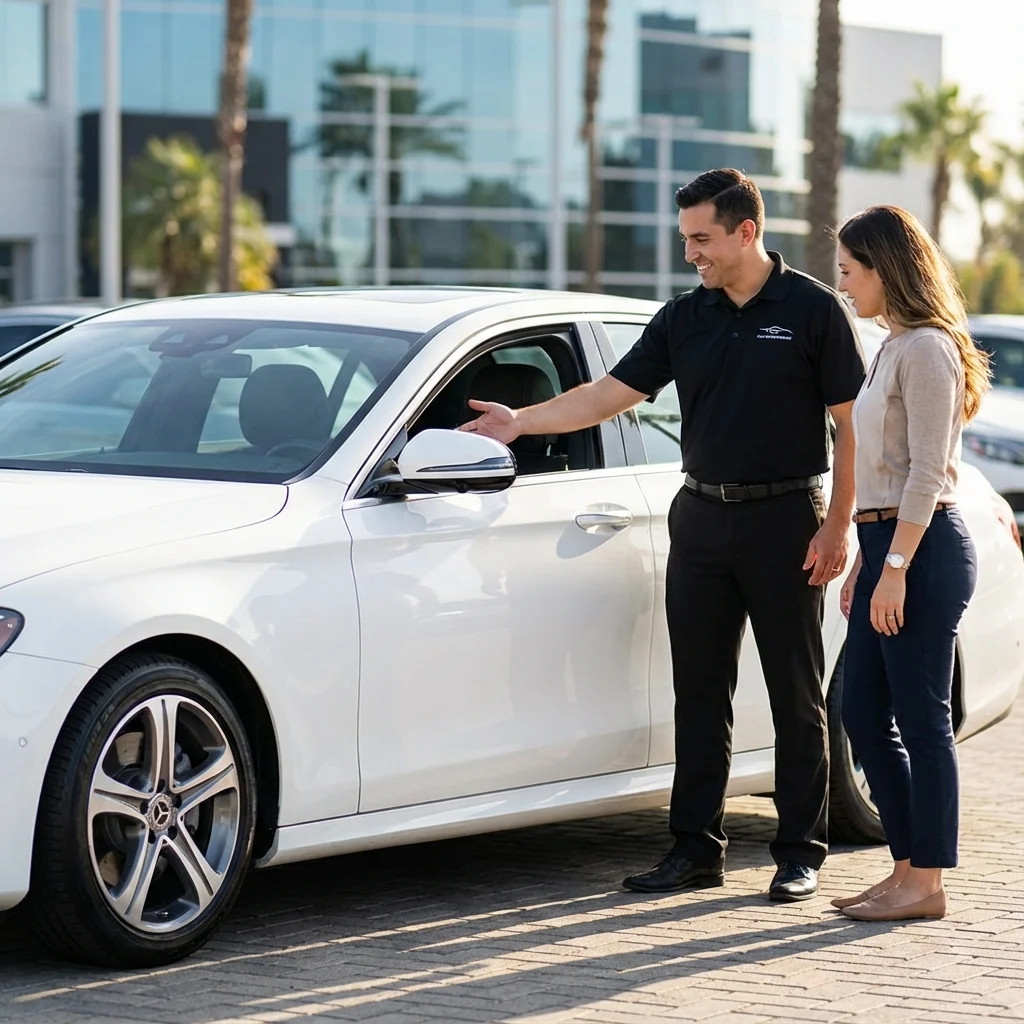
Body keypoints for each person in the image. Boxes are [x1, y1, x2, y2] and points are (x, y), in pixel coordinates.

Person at [460, 168, 866, 902]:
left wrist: (838, 525)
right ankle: (694, 851)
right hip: (702, 517)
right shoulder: (684, 317)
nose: (692, 254)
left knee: (794, 691)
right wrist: (521, 423)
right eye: (685, 240)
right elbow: (607, 395)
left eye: (702, 239)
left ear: (747, 232)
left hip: (786, 520)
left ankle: (800, 851)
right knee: (699, 692)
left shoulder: (811, 309)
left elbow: (850, 424)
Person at [832, 205, 988, 922]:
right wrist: (866, 563)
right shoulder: (891, 345)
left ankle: (926, 885)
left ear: (886, 269)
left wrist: (893, 565)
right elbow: (881, 470)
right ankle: (905, 868)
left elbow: (929, 470)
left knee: (920, 720)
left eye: (850, 269)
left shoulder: (928, 348)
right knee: (860, 706)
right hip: (887, 545)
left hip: (922, 551)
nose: (843, 282)